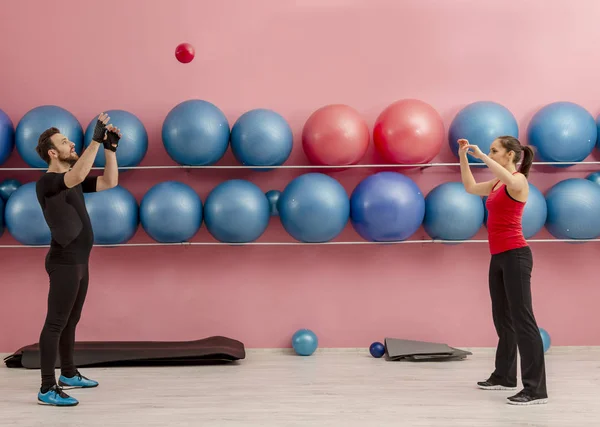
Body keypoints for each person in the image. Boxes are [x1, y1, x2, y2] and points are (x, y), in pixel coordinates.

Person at [34, 113, 122, 407]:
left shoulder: (71, 181)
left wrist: (109, 150)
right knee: (56, 323)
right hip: (64, 261)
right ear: (52, 152)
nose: (71, 143)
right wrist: (95, 139)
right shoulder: (48, 183)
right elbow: (77, 175)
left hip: (80, 262)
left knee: (71, 320)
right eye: (64, 142)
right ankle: (48, 387)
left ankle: (69, 373)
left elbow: (110, 182)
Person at [458, 136, 548, 406]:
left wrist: (479, 156)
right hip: (498, 257)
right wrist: (464, 156)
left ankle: (535, 390)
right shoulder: (497, 183)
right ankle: (504, 376)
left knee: (523, 322)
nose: (490, 153)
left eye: (494, 151)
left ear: (510, 155)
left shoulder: (518, 181)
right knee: (503, 320)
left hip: (516, 256)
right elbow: (470, 187)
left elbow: (509, 178)